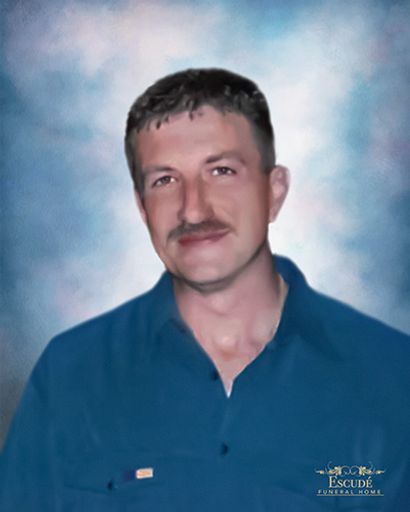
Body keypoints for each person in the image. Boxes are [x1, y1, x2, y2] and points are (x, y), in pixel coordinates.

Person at [1, 68, 409, 511]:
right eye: (164, 180)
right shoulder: (70, 376)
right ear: (142, 207)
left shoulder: (392, 376)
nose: (193, 209)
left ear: (274, 192)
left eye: (221, 170)